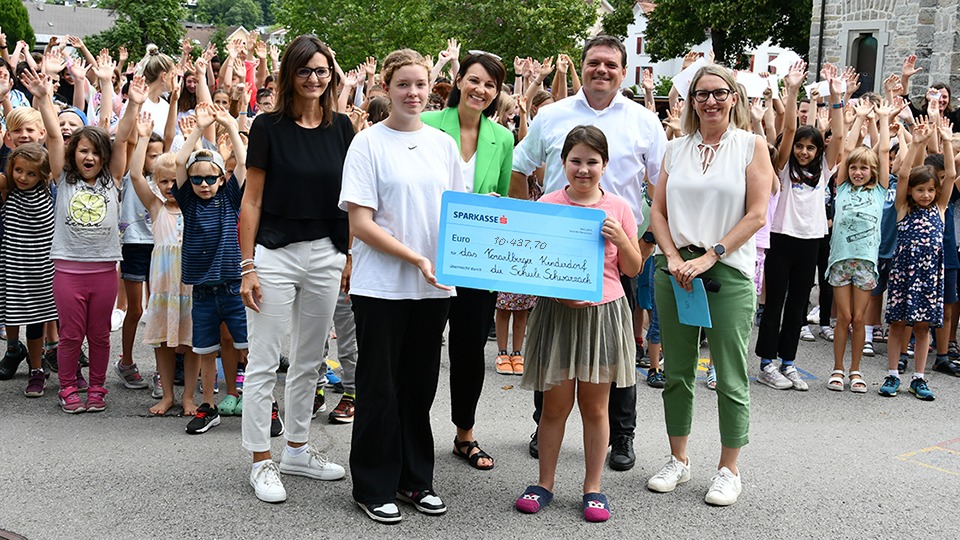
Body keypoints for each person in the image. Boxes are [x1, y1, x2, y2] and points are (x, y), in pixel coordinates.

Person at [510, 34, 666, 470]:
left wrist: (646, 240)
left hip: (618, 256)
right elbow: (520, 168)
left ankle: (622, 436)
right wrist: (525, 230)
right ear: (582, 64)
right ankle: (545, 425)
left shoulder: (643, 120)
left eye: (611, 65)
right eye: (594, 62)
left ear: (623, 70)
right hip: (557, 257)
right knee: (555, 350)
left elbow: (662, 184)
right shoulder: (552, 114)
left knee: (616, 349)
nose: (602, 71)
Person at [340, 48, 464, 524]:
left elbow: (457, 208)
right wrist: (415, 257)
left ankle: (415, 479)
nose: (413, 93)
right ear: (385, 89)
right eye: (403, 85)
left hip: (434, 289)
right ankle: (372, 485)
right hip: (382, 286)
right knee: (379, 387)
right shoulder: (367, 144)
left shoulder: (441, 144)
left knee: (419, 387)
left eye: (420, 85)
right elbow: (361, 222)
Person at [646, 64, 774, 507]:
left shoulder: (751, 146)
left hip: (726, 273)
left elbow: (757, 214)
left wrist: (710, 256)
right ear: (690, 101)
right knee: (677, 372)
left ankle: (728, 469)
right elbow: (657, 212)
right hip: (677, 272)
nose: (710, 101)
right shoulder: (675, 149)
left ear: (734, 97)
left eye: (719, 93)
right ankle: (678, 460)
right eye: (701, 94)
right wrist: (677, 258)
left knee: (729, 376)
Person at [239, 35, 352, 504]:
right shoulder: (267, 127)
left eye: (322, 70)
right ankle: (260, 460)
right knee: (265, 360)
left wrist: (346, 256)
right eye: (305, 70)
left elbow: (350, 201)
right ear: (290, 75)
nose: (313, 79)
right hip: (275, 254)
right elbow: (252, 200)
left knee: (310, 360)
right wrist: (247, 266)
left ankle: (298, 451)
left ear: (331, 76)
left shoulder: (344, 128)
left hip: (327, 254)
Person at [514, 126, 641, 522]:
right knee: (554, 407)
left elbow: (633, 268)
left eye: (592, 161)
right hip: (557, 312)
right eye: (575, 161)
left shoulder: (619, 208)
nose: (583, 169)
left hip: (603, 312)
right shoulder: (548, 203)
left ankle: (593, 488)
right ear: (561, 162)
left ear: (604, 165)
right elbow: (528, 265)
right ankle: (544, 483)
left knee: (595, 407)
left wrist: (621, 238)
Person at [421, 51, 513, 470]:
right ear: (459, 81)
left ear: (497, 93)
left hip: (476, 261)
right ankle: (413, 430)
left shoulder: (503, 137)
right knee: (421, 345)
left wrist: (495, 206)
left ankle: (465, 434)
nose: (481, 90)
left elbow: (504, 197)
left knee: (469, 349)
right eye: (474, 80)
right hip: (428, 254)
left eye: (490, 85)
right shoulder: (428, 125)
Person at [35, 65, 140, 413]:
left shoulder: (113, 179)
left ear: (104, 158)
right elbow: (52, 136)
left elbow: (122, 137)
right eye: (82, 151)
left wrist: (135, 104)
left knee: (98, 334)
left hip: (104, 269)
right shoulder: (63, 181)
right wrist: (44, 99)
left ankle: (97, 387)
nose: (89, 157)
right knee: (70, 335)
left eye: (96, 152)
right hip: (67, 269)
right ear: (72, 154)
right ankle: (67, 387)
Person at [755, 62, 843, 391]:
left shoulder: (824, 168)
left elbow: (841, 135)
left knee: (797, 304)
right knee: (774, 303)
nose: (804, 151)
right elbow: (790, 130)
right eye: (800, 147)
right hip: (780, 238)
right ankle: (766, 363)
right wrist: (792, 91)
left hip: (810, 241)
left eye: (811, 147)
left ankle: (788, 362)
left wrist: (835, 96)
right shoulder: (780, 166)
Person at [173, 102, 248, 431]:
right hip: (202, 292)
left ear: (221, 178)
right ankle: (208, 405)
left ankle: (264, 403)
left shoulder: (230, 198)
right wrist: (197, 132)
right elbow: (179, 161)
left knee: (248, 346)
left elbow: (244, 162)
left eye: (210, 178)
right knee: (205, 350)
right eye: (197, 179)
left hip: (233, 287)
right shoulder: (188, 201)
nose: (204, 184)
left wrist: (230, 125)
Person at [880, 118, 958, 400]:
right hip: (905, 273)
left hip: (929, 276)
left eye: (929, 190)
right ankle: (892, 374)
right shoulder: (903, 208)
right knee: (898, 325)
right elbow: (902, 176)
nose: (925, 195)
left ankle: (919, 377)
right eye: (920, 190)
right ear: (911, 191)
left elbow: (949, 176)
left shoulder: (940, 207)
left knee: (923, 328)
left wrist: (947, 142)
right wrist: (914, 144)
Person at [825, 100, 893, 392]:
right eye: (854, 168)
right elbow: (846, 149)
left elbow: (885, 153)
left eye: (864, 168)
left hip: (866, 262)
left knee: (861, 318)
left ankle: (856, 370)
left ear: (873, 171)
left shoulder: (880, 191)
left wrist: (883, 120)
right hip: (841, 260)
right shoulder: (841, 188)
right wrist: (858, 120)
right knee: (845, 317)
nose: (858, 172)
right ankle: (838, 368)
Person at [127, 113, 194, 415]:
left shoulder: (195, 207)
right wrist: (142, 138)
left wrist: (196, 136)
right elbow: (135, 177)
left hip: (191, 287)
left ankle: (190, 395)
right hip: (165, 289)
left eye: (175, 180)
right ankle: (167, 395)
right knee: (164, 344)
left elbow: (190, 165)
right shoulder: (156, 208)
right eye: (164, 181)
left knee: (193, 343)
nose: (170, 186)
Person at [0, 144, 57, 397]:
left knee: (38, 322)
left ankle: (38, 370)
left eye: (31, 173)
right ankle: (20, 355)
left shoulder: (51, 192)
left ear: (44, 175)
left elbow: (56, 144)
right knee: (13, 318)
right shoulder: (7, 191)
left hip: (44, 271)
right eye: (18, 170)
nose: (22, 177)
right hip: (14, 271)